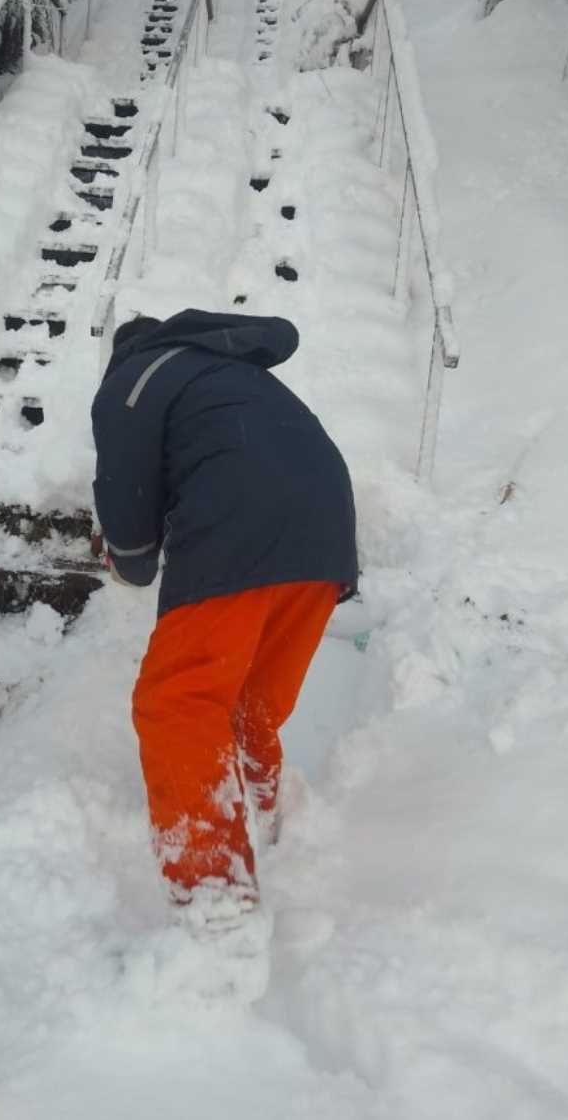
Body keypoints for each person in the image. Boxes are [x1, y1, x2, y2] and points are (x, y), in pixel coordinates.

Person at [91, 310, 357, 927]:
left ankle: (214, 898)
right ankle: (259, 816)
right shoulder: (229, 374)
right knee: (249, 704)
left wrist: (128, 561)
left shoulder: (134, 379)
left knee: (177, 702)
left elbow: (126, 500)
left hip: (242, 525)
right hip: (326, 536)